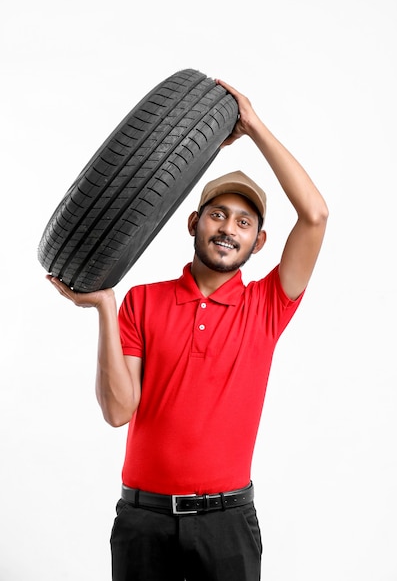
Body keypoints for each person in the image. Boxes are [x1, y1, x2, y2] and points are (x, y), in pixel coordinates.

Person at [47, 79, 328, 581]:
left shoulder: (266, 304)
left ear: (259, 242)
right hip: (142, 521)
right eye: (218, 215)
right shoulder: (142, 300)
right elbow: (117, 411)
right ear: (193, 222)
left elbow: (316, 214)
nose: (228, 229)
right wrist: (104, 308)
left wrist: (254, 126)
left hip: (228, 526)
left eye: (243, 223)